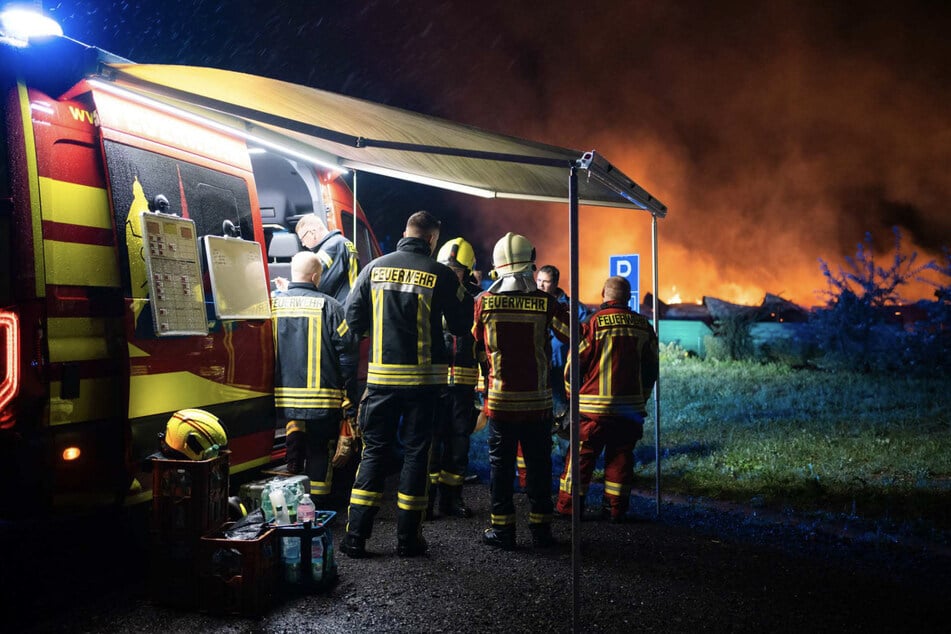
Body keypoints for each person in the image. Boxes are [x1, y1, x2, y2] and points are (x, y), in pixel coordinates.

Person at [340, 211, 473, 558]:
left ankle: (355, 536)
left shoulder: (374, 268)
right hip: (424, 384)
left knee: (373, 454)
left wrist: (381, 331)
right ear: (432, 239)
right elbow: (461, 324)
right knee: (417, 455)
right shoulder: (440, 273)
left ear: (406, 231)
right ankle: (407, 539)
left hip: (381, 380)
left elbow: (352, 319)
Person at [474, 232, 569, 550]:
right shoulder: (546, 303)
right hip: (538, 404)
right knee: (540, 466)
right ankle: (541, 533)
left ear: (497, 266)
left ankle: (503, 532)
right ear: (531, 263)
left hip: (501, 403)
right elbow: (575, 335)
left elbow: (475, 343)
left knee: (501, 468)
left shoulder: (484, 303)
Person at [555, 276, 658, 522]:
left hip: (593, 411)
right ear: (629, 297)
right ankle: (615, 509)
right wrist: (641, 398)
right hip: (629, 410)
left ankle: (570, 509)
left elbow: (573, 366)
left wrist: (572, 398)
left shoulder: (593, 324)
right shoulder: (644, 326)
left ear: (604, 294)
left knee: (580, 459)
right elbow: (651, 368)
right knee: (621, 458)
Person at [272, 251, 359, 506]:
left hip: (284, 399)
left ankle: (291, 502)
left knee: (294, 445)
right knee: (320, 450)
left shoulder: (274, 303)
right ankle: (317, 507)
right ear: (315, 276)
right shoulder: (331, 307)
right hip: (323, 398)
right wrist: (349, 396)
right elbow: (347, 354)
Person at [427, 237, 481, 519]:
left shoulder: (476, 299)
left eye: (456, 269)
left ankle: (452, 499)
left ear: (468, 270)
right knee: (432, 441)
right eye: (447, 267)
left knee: (459, 441)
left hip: (463, 383)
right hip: (434, 381)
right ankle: (426, 500)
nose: (450, 272)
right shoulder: (430, 293)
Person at [274, 214, 359, 304]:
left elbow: (314, 283)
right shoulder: (340, 242)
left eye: (302, 239)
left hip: (343, 309)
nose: (303, 244)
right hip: (350, 305)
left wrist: (289, 287)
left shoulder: (331, 248)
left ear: (312, 233)